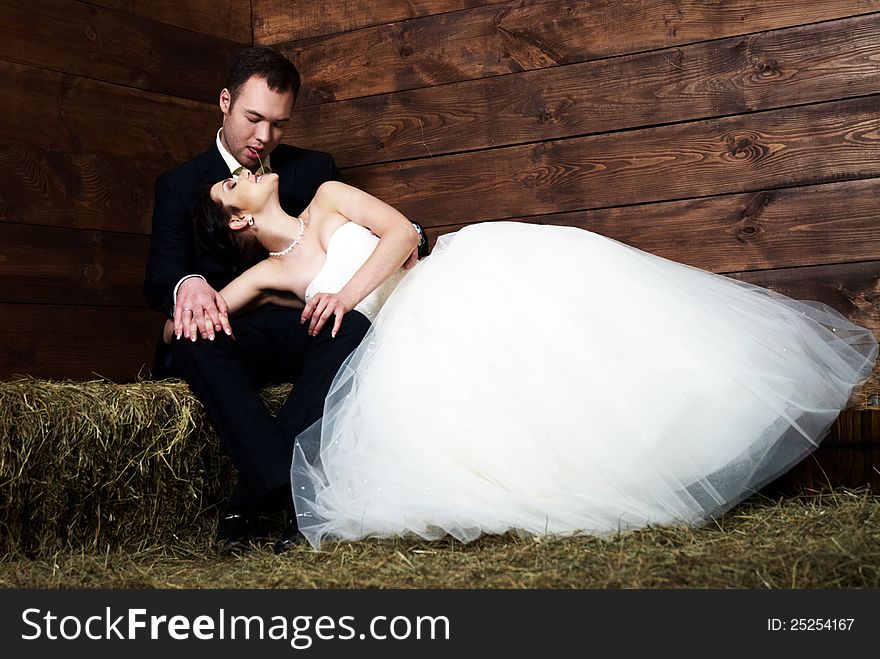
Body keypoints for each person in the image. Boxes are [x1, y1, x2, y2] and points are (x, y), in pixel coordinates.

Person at [194, 170, 879, 551]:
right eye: (230, 188)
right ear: (238, 224)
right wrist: (189, 289)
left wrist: (344, 290)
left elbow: (402, 230)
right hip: (396, 335)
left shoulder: (328, 199)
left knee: (573, 337)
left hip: (441, 280)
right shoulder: (270, 277)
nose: (242, 173)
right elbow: (197, 317)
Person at [143, 46, 427, 554]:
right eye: (253, 119)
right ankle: (280, 480)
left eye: (278, 124)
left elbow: (380, 231)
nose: (263, 138)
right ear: (226, 103)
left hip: (308, 322)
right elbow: (163, 268)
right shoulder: (183, 184)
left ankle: (253, 492)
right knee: (192, 339)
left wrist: (415, 238)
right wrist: (188, 288)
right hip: (236, 327)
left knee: (350, 328)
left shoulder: (315, 171)